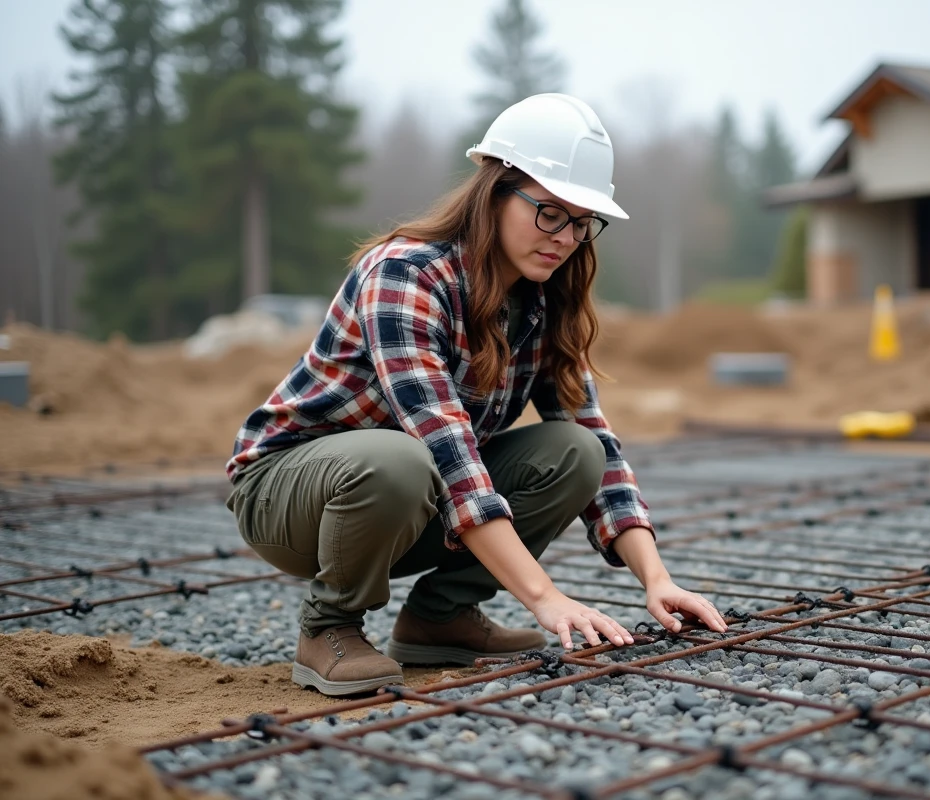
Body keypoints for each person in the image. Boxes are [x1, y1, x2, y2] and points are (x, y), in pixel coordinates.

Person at [224, 93, 727, 697]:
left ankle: (441, 618)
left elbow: (596, 441)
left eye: (580, 221)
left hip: (409, 495)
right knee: (399, 459)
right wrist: (544, 597)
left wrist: (656, 578)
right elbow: (445, 449)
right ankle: (329, 626)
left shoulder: (543, 299)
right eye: (549, 212)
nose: (566, 236)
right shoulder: (406, 275)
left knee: (575, 453)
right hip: (290, 495)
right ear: (495, 191)